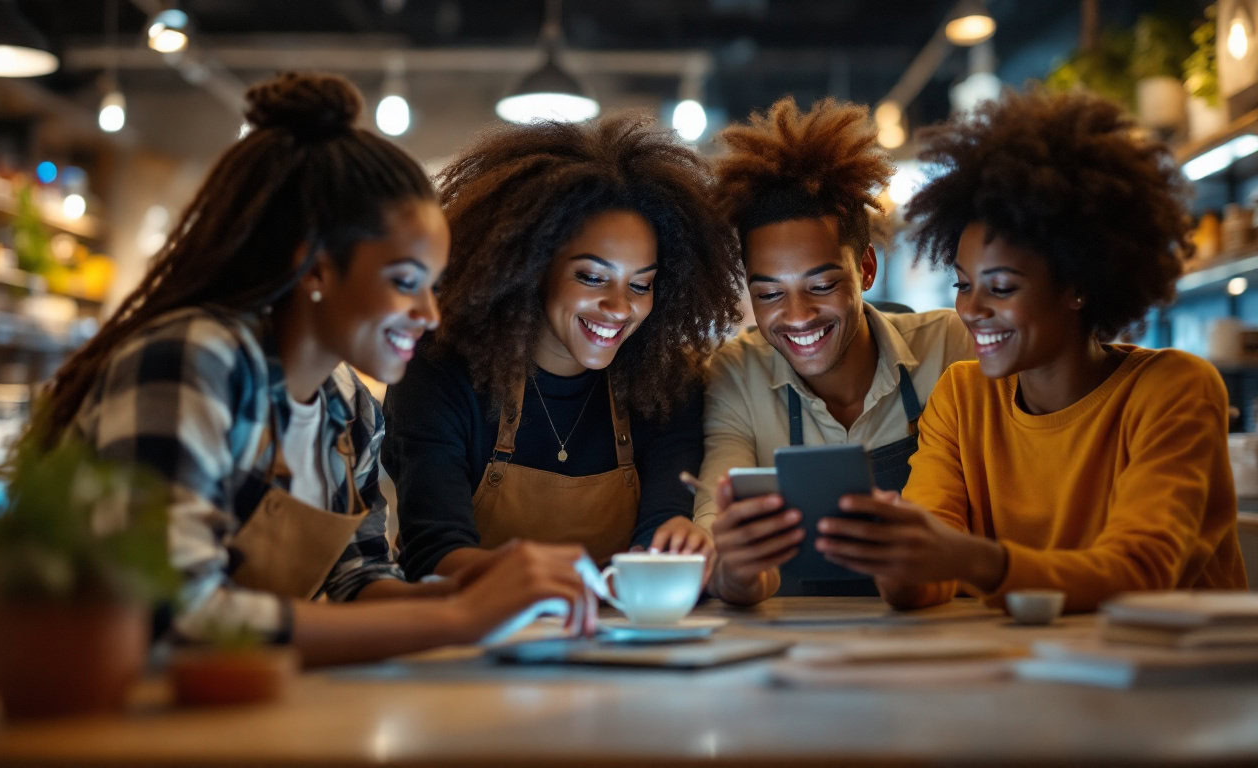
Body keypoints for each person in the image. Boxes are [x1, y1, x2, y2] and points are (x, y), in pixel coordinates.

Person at [25, 72, 591, 667]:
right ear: (316, 269)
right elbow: (168, 613)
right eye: (404, 283)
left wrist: (476, 590)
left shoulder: (348, 408)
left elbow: (355, 580)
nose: (428, 314)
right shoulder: (194, 359)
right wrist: (456, 618)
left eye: (432, 287)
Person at [817, 87, 1247, 612]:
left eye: (1000, 288)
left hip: (1176, 681)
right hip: (1033, 679)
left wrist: (976, 560)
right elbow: (923, 585)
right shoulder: (962, 397)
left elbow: (1141, 573)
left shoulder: (1173, 389)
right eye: (963, 284)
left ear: (1078, 286)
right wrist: (894, 553)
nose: (972, 309)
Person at [382, 115, 745, 581]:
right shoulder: (439, 373)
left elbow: (660, 534)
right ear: (529, 266)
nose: (619, 307)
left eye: (641, 284)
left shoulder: (666, 386)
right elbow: (434, 552)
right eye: (591, 277)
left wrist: (681, 541)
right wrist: (545, 583)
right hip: (470, 640)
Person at [696, 97, 972, 604]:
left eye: (821, 286)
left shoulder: (955, 347)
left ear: (865, 269)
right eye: (770, 294)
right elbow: (715, 528)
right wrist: (734, 568)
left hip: (946, 635)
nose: (798, 316)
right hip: (794, 656)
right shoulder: (736, 374)